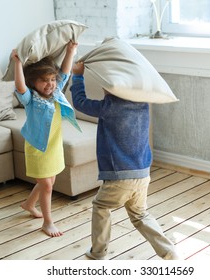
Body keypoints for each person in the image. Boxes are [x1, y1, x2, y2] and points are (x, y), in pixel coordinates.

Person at [70, 61, 181, 260]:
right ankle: (168, 250)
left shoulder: (110, 106)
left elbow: (79, 102)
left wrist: (78, 76)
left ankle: (98, 252)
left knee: (101, 207)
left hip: (120, 176)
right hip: (142, 173)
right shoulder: (143, 104)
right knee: (140, 215)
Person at [12, 41, 80, 237]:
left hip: (54, 145)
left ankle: (28, 204)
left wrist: (70, 51)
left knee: (48, 181)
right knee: (47, 185)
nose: (50, 84)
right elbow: (20, 87)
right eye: (44, 80)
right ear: (33, 82)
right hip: (37, 147)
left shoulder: (56, 91)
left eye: (52, 79)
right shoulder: (31, 100)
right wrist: (17, 63)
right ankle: (48, 223)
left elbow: (65, 73)